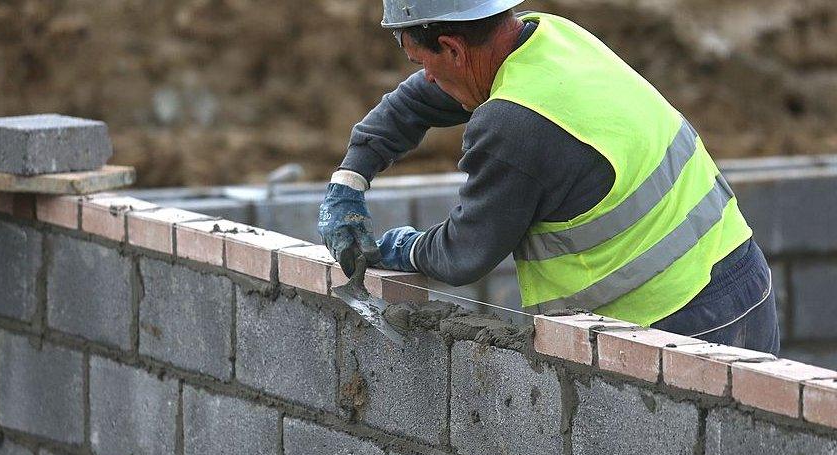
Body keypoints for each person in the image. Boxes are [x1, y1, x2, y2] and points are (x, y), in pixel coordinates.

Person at [316, 0, 779, 354]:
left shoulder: (513, 124)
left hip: (679, 322)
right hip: (742, 276)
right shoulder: (550, 36)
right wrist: (349, 179)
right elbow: (415, 102)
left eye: (423, 64)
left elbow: (464, 253)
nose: (427, 80)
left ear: (452, 48)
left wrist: (396, 249)